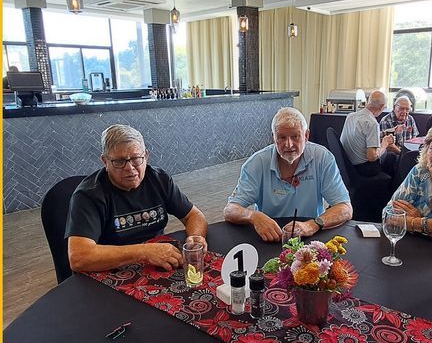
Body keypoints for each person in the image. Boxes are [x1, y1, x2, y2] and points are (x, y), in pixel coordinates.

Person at [67, 124, 210, 273]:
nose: (129, 168)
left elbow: (193, 215)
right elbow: (79, 258)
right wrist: (144, 252)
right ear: (105, 162)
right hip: (109, 272)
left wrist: (195, 237)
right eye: (119, 161)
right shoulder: (88, 195)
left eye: (136, 158)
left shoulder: (159, 179)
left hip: (157, 264)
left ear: (146, 156)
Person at [223, 107, 352, 242]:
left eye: (295, 137)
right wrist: (253, 216)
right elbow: (230, 210)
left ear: (306, 135)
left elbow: (345, 208)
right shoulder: (257, 163)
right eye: (282, 137)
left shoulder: (323, 158)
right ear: (273, 137)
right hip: (270, 237)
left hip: (310, 236)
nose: (289, 144)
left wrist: (313, 224)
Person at [341, 88, 406, 187]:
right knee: (391, 157)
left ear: (368, 101)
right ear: (382, 107)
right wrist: (385, 144)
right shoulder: (372, 123)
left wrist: (388, 131)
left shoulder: (351, 116)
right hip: (363, 169)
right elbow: (372, 157)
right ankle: (389, 192)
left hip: (347, 165)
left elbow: (362, 135)